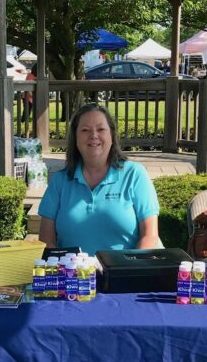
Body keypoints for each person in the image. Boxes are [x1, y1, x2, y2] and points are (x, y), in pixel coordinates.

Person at [38, 103, 160, 254]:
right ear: (75, 138)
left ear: (112, 136)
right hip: (73, 275)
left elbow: (150, 236)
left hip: (126, 272)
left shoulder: (135, 175)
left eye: (101, 129)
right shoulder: (60, 181)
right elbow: (46, 241)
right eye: (85, 130)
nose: (93, 135)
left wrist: (132, 270)